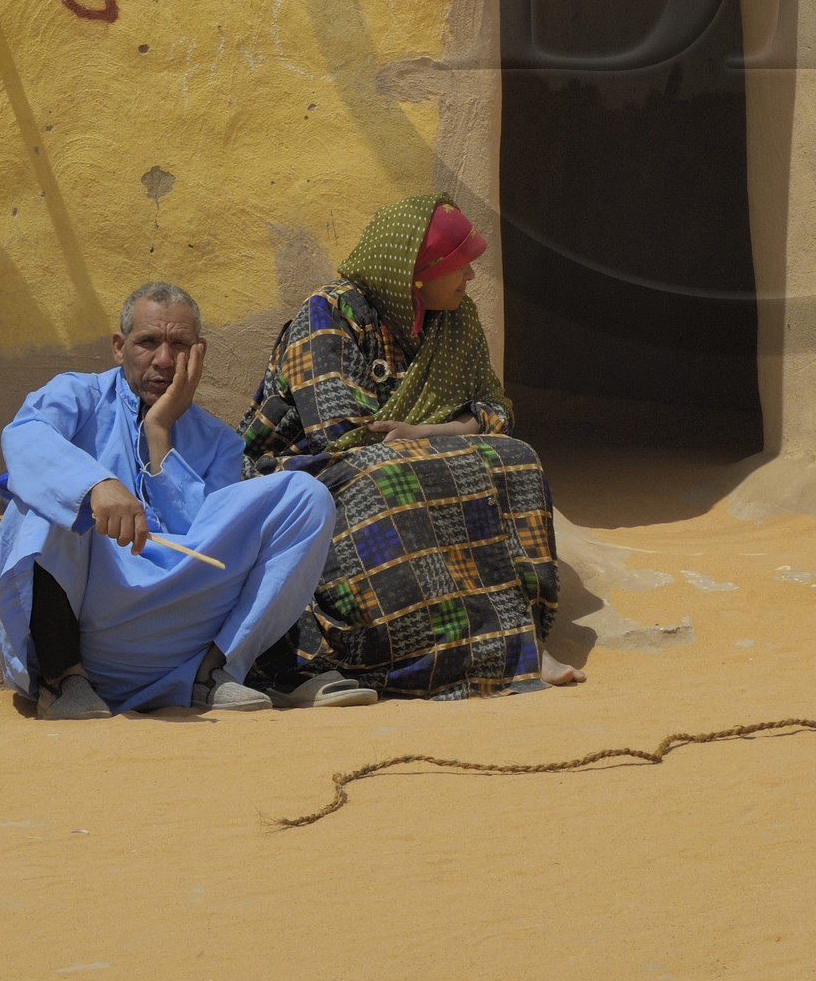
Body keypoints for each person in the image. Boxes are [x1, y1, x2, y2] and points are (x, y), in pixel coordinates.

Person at [240, 193, 583, 699]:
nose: (469, 280)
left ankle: (517, 638)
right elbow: (342, 434)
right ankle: (431, 648)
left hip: (413, 449)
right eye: (459, 268)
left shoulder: (455, 320)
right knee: (395, 474)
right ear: (416, 274)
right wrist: (415, 443)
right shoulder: (329, 314)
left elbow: (496, 410)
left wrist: (429, 433)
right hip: (304, 466)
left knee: (517, 460)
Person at [0, 282, 355, 718]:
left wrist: (159, 433)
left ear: (198, 353)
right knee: (41, 501)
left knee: (306, 496)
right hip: (87, 627)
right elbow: (24, 437)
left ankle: (212, 675)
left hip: (180, 634)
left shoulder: (219, 442)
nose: (163, 360)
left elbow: (204, 535)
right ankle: (64, 680)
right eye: (147, 343)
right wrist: (95, 484)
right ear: (119, 348)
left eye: (179, 344)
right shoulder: (76, 396)